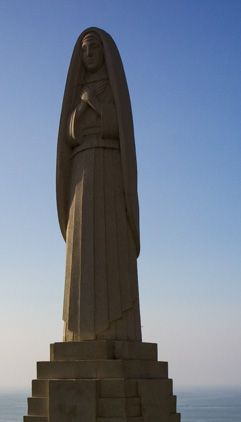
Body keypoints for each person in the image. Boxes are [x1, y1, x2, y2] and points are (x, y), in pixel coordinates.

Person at [56, 28, 142, 342]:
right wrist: (82, 106)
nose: (89, 54)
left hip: (108, 169)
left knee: (112, 242)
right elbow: (71, 136)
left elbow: (120, 129)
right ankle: (79, 333)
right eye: (84, 50)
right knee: (82, 247)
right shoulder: (76, 92)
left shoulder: (113, 88)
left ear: (104, 52)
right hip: (80, 171)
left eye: (93, 48)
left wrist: (93, 103)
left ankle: (116, 326)